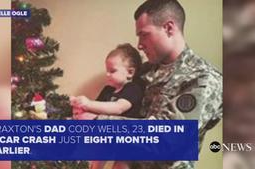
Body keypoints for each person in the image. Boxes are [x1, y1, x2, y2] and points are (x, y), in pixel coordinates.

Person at [76, 0, 223, 169]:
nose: (139, 45)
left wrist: (98, 121)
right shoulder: (144, 70)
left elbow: (169, 139)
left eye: (144, 34)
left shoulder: (203, 77)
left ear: (169, 28)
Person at [71, 43, 145, 169]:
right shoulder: (107, 90)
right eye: (107, 71)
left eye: (112, 71)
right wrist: (79, 106)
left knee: (122, 164)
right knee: (97, 157)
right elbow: (95, 108)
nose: (107, 75)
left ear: (130, 72)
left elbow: (118, 108)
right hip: (105, 136)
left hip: (126, 139)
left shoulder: (133, 89)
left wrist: (88, 103)